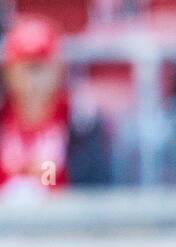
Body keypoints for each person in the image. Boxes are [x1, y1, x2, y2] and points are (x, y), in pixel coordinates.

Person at [0, 15, 110, 199]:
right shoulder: (3, 116)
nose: (33, 79)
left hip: (64, 223)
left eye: (40, 67)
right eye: (25, 67)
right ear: (8, 72)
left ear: (59, 68)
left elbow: (96, 191)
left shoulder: (81, 122)